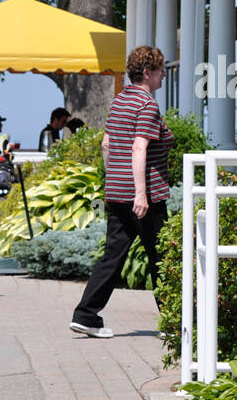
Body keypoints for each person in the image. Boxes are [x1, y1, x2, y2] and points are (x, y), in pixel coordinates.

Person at [71, 46, 174, 338]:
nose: (164, 75)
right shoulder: (147, 105)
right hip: (146, 197)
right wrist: (140, 194)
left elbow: (106, 145)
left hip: (116, 193)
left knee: (113, 256)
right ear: (147, 74)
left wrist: (115, 179)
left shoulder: (119, 102)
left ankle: (86, 315)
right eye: (160, 70)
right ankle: (176, 321)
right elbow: (139, 147)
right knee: (163, 257)